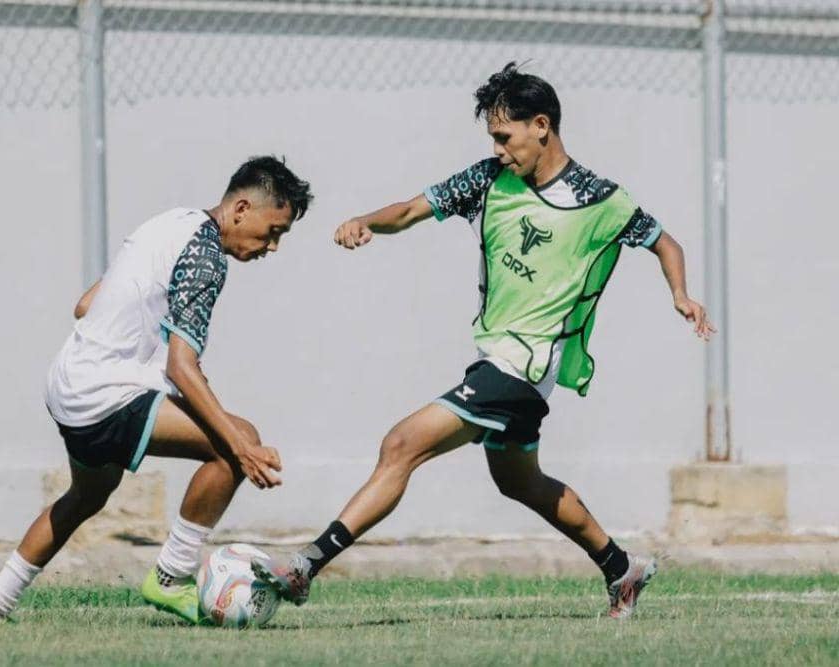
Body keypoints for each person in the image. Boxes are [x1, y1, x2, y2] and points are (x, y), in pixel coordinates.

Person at [253, 63, 714, 620]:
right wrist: (364, 220)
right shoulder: (490, 179)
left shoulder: (598, 198)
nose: (498, 149)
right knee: (519, 482)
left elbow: (665, 242)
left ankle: (306, 566)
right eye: (492, 139)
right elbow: (409, 210)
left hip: (525, 367)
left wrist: (680, 294)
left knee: (402, 444)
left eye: (505, 136)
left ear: (541, 125)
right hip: (497, 359)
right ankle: (622, 568)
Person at [0, 156, 313, 626]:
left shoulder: (170, 223)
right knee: (238, 438)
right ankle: (171, 577)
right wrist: (241, 450)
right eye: (274, 231)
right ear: (242, 208)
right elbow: (182, 368)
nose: (272, 247)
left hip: (68, 382)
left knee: (88, 495)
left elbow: (86, 304)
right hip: (104, 394)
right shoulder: (207, 259)